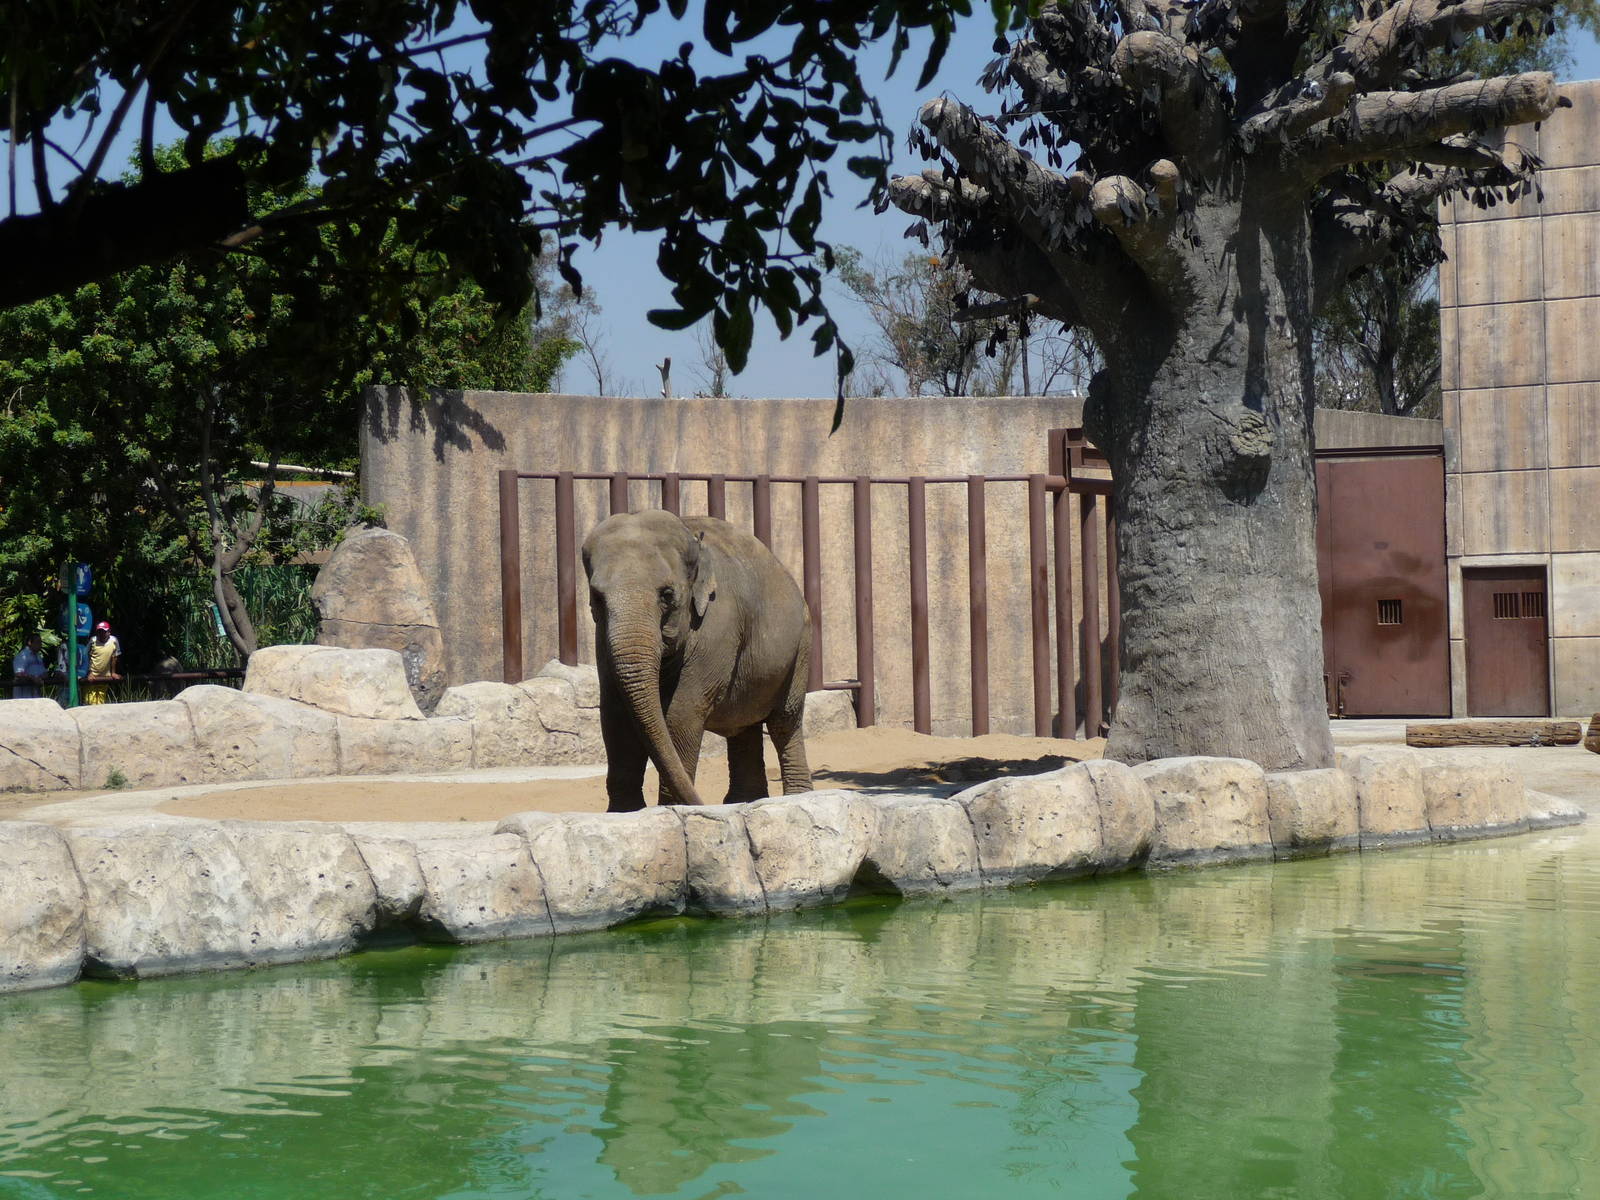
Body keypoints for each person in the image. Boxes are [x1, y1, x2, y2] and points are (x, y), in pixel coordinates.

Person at [85, 620, 121, 705]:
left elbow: (115, 656)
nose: (101, 634)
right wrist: (89, 672)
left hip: (105, 676)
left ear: (109, 632)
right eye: (99, 631)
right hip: (92, 675)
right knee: (89, 701)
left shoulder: (114, 640)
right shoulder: (93, 640)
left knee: (101, 702)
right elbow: (85, 656)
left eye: (103, 631)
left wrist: (113, 672)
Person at [11, 632, 46, 700]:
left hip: (36, 696)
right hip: (23, 697)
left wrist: (43, 676)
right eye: (38, 642)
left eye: (40, 642)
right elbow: (18, 673)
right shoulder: (22, 656)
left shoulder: (38, 657)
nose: (40, 644)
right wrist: (32, 678)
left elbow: (43, 673)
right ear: (30, 642)